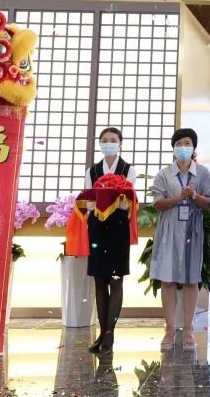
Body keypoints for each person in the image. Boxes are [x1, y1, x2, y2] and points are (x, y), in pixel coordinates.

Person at [150, 128, 210, 350]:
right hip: (169, 231)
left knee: (190, 280)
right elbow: (157, 204)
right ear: (173, 148)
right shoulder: (164, 174)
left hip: (192, 232)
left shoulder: (202, 173)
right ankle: (169, 330)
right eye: (179, 144)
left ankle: (188, 330)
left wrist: (194, 196)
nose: (183, 147)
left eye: (187, 143)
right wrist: (178, 198)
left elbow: (208, 204)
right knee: (167, 280)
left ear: (193, 147)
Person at [84, 127, 138, 354]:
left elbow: (129, 202)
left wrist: (114, 198)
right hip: (97, 228)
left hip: (118, 229)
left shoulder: (128, 169)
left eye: (113, 140)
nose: (109, 144)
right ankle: (101, 332)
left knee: (116, 280)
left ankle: (110, 334)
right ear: (100, 144)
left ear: (120, 143)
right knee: (99, 281)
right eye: (105, 140)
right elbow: (88, 201)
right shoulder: (93, 171)